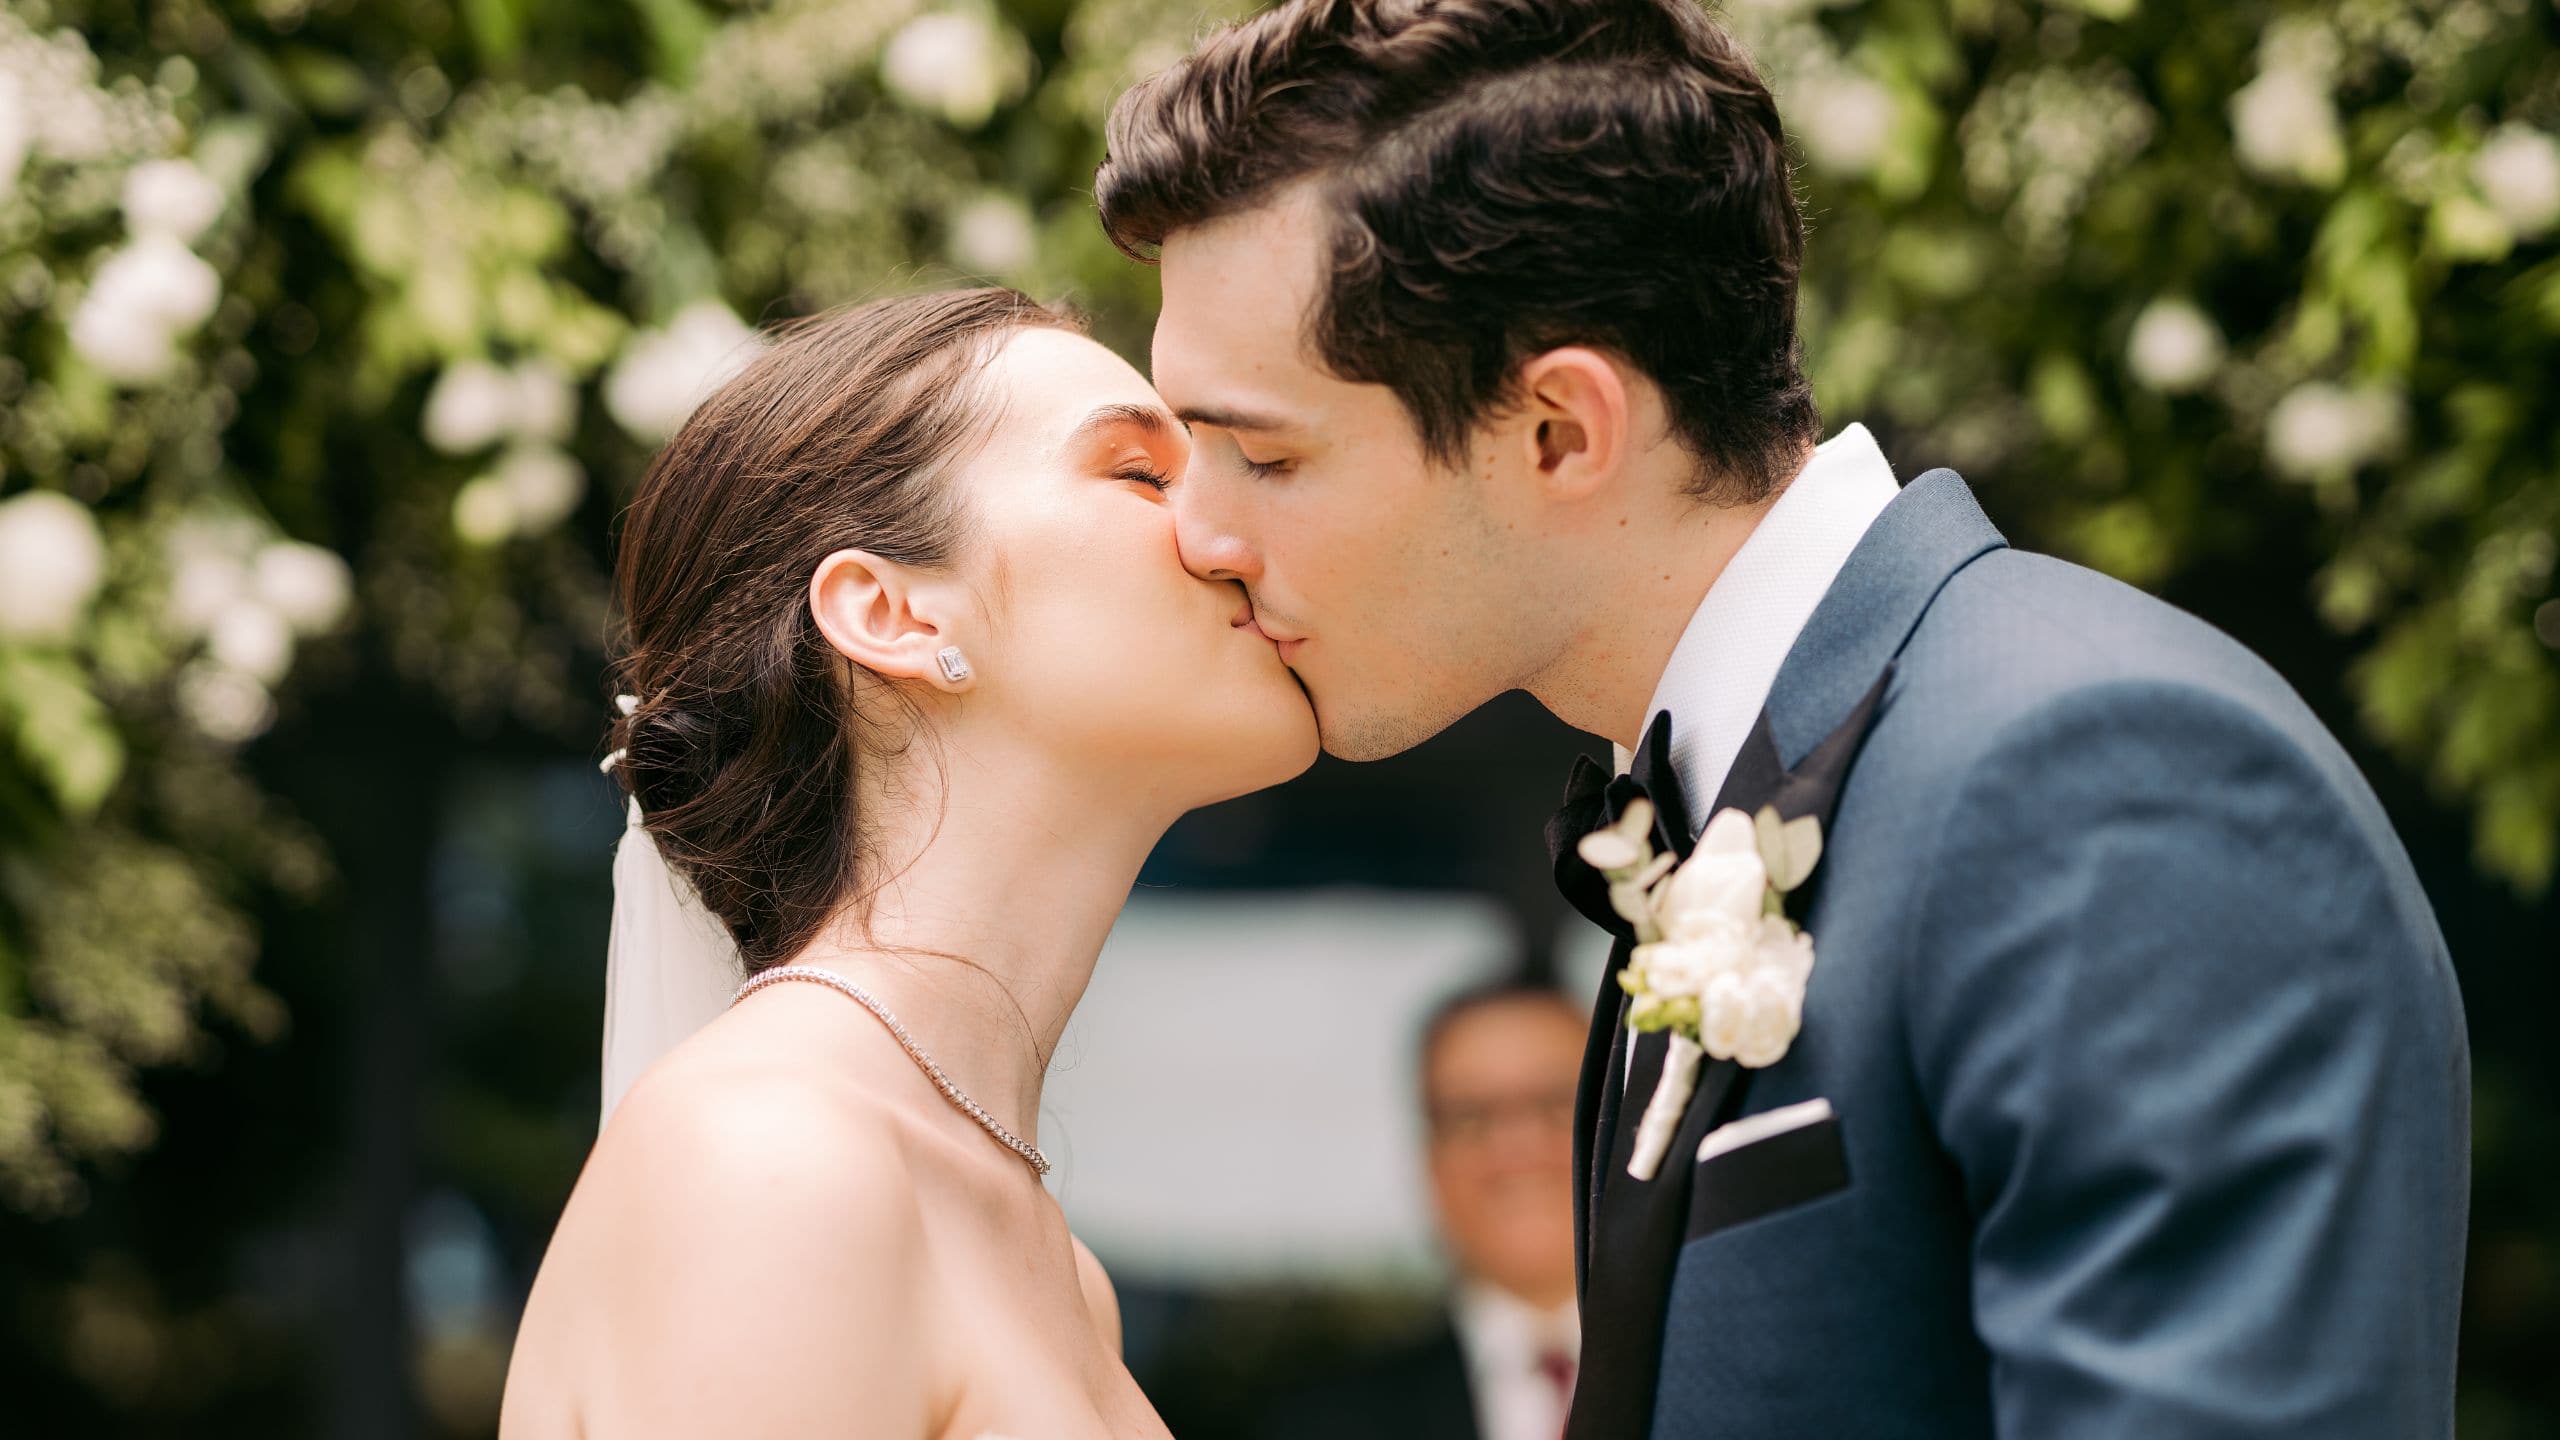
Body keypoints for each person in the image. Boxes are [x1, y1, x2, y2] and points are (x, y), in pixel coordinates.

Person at [1095, 1, 2472, 1437]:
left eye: (1263, 454)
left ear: (1561, 432)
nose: (1201, 533)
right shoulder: (1720, 800)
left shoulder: (2107, 785)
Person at [499, 288, 1318, 1438]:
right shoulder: (773, 1162)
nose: (1231, 532)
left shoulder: (1062, 1274)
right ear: (890, 613)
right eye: (1141, 474)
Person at [1258, 983, 1585, 1440]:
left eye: (1557, 1105)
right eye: (1471, 1116)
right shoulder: (1323, 1424)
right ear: (1429, 1160)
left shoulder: (1692, 1376)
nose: (1517, 1148)